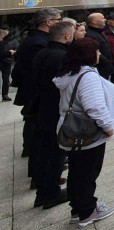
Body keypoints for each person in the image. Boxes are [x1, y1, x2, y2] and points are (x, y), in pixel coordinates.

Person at [53, 37, 114, 228]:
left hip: (75, 131)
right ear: (89, 55)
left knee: (78, 171)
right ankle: (87, 211)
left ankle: (78, 207)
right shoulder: (87, 76)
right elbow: (95, 107)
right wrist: (108, 127)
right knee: (88, 172)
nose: (99, 54)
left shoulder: (71, 72)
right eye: (97, 51)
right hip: (86, 132)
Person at [13, 7, 62, 182]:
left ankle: (42, 172)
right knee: (41, 138)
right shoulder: (37, 43)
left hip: (37, 95)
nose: (60, 23)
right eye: (58, 20)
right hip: (39, 96)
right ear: (48, 22)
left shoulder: (36, 39)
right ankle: (41, 176)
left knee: (39, 135)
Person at [31, 20, 75, 209]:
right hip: (56, 110)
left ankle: (42, 190)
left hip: (42, 108)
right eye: (73, 32)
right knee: (57, 152)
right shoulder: (62, 56)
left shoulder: (42, 53)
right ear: (66, 35)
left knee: (45, 151)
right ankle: (50, 194)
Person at [1, 26, 15, 102]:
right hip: (5, 61)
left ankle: (5, 94)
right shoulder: (5, 41)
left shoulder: (6, 41)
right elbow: (2, 53)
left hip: (6, 62)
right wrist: (10, 52)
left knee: (6, 79)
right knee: (6, 79)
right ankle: (5, 95)